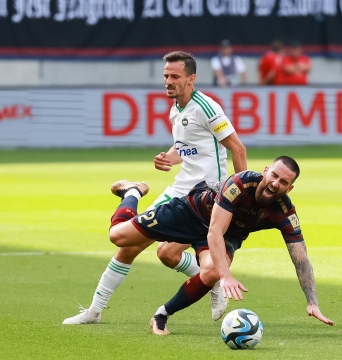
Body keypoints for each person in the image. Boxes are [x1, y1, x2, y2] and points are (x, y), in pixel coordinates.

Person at [62, 51, 248, 325]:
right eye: (165, 76)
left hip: (205, 198)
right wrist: (170, 157)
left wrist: (238, 197)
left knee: (161, 250)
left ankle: (133, 192)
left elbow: (237, 147)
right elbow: (186, 147)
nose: (168, 81)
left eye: (175, 76)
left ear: (191, 79)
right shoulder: (176, 109)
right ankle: (95, 310)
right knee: (144, 249)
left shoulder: (207, 108)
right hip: (178, 192)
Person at [106, 156, 334, 335]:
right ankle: (132, 191)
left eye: (284, 182)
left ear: (289, 188)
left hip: (227, 234)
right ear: (266, 170)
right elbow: (214, 229)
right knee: (119, 237)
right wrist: (226, 276)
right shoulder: (240, 184)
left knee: (212, 269)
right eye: (274, 175)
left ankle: (161, 315)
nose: (275, 184)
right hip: (190, 213)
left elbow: (301, 259)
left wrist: (312, 302)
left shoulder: (284, 212)